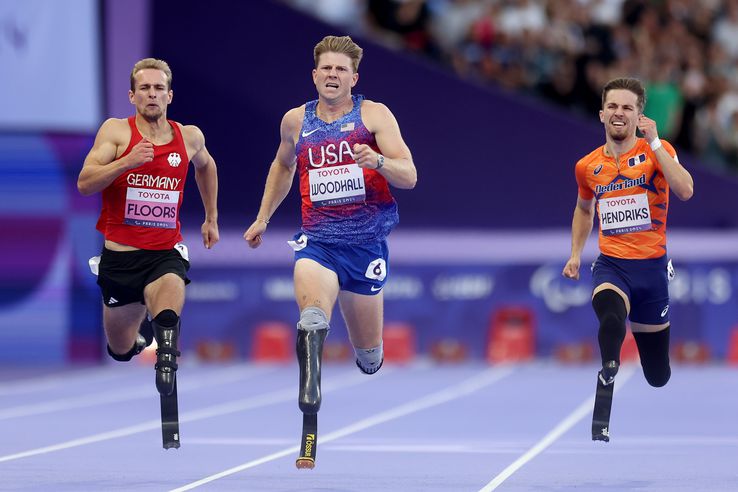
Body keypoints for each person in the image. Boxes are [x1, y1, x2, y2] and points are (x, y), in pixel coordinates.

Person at [243, 35, 417, 467]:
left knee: (370, 358)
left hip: (365, 246)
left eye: (341, 70)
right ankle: (310, 392)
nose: (333, 75)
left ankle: (361, 355)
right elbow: (283, 166)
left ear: (353, 78)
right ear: (314, 75)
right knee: (312, 318)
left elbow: (409, 175)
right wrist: (263, 217)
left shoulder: (373, 115)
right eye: (326, 69)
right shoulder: (294, 121)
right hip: (318, 242)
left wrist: (377, 162)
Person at [78, 58, 219, 400]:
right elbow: (85, 183)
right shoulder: (116, 132)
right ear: (132, 96)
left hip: (163, 254)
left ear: (169, 96)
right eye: (144, 88)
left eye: (158, 89)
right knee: (121, 348)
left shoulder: (189, 137)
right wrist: (126, 162)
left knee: (169, 307)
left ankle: (167, 357)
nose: (151, 95)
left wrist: (211, 216)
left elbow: (206, 167)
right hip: (120, 260)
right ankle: (140, 342)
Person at [562, 77, 694, 439]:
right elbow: (583, 210)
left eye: (628, 108)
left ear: (639, 116)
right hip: (612, 263)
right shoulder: (587, 166)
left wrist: (654, 143)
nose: (619, 113)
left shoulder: (658, 149)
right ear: (602, 113)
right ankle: (609, 366)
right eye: (614, 107)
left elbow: (684, 190)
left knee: (657, 375)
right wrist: (575, 254)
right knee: (608, 309)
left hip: (651, 271)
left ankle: (632, 359)